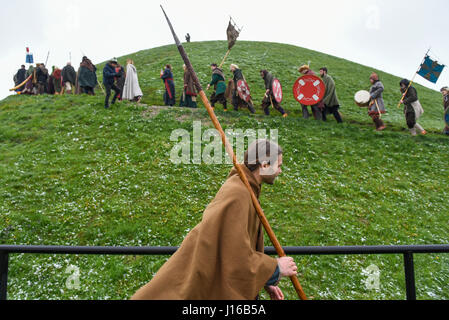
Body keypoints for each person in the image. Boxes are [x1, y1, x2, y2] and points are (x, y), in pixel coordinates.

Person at [131, 139, 298, 300]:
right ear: (265, 165)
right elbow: (236, 256)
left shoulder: (246, 188)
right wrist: (275, 268)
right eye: (279, 166)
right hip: (202, 276)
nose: (280, 171)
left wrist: (264, 279)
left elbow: (240, 245)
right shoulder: (238, 194)